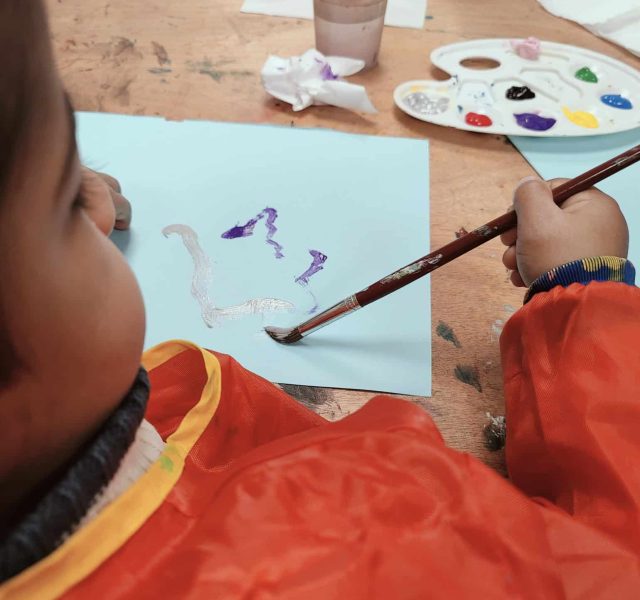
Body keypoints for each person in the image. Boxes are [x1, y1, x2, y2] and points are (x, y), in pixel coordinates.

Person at [1, 2, 639, 598]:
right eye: (69, 202)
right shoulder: (377, 545)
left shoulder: (62, 424)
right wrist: (582, 298)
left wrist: (35, 207)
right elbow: (614, 567)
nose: (98, 213)